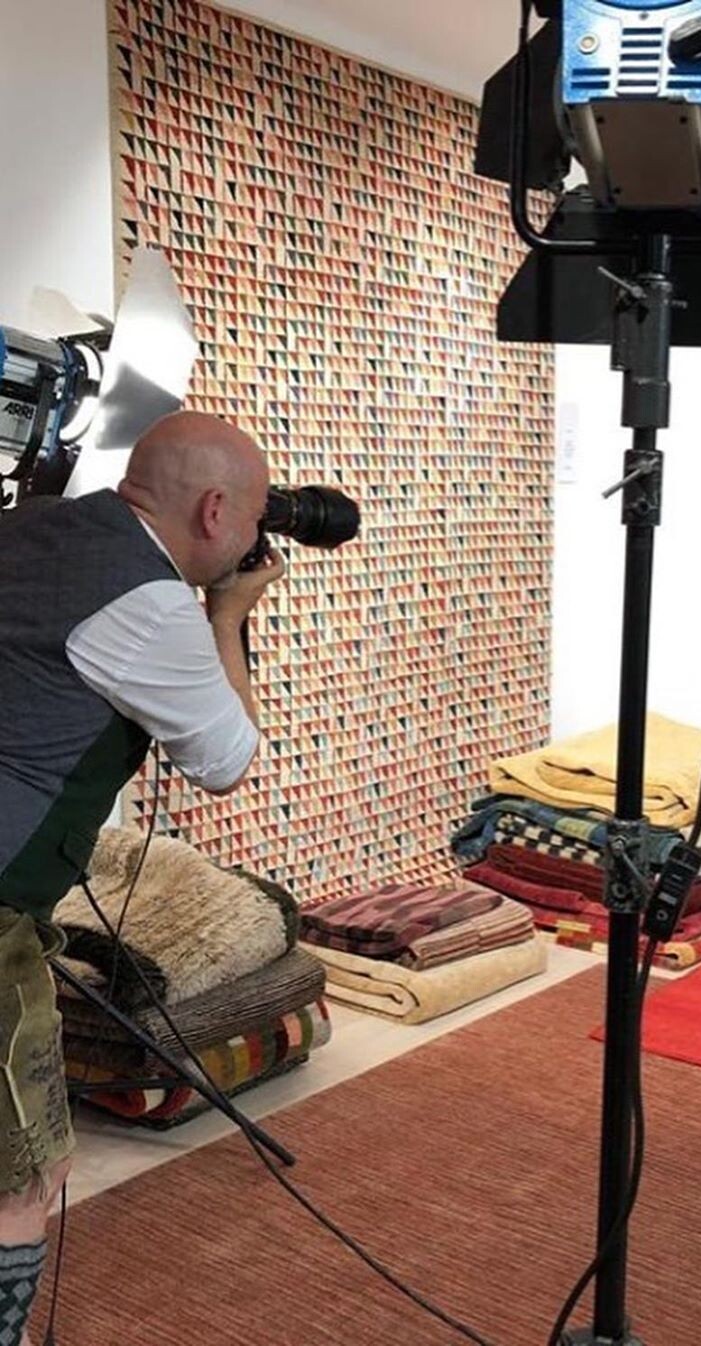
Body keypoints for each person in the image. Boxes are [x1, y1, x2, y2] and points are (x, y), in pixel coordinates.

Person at [0, 411, 283, 1345]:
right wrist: (227, 616)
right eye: (255, 518)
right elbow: (226, 759)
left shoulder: (32, 523)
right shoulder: (151, 604)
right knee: (23, 1171)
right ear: (215, 512)